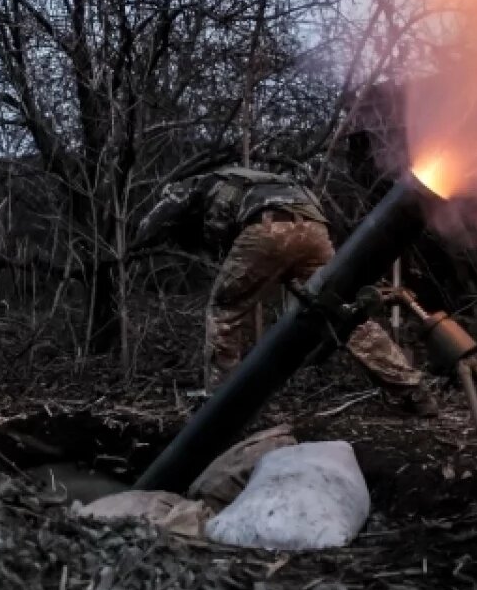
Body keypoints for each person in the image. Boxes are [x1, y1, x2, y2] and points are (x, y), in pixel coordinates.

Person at [134, 164, 439, 416]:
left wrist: (138, 242)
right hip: (313, 227)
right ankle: (413, 389)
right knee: (342, 314)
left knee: (223, 311)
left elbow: (156, 220)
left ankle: (219, 404)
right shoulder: (250, 181)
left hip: (267, 227)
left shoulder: (193, 185)